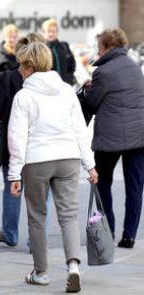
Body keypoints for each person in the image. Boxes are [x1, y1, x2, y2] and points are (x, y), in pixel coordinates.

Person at [7, 42, 98, 293]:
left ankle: (41, 272)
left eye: (21, 65)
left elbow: (17, 138)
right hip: (68, 157)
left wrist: (14, 174)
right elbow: (80, 129)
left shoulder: (24, 96)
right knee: (69, 215)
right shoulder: (67, 91)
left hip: (37, 160)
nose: (19, 70)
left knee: (37, 217)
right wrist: (89, 165)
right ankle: (73, 267)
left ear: (31, 66)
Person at [84, 28, 144, 249]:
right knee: (135, 186)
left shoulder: (103, 72)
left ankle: (107, 230)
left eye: (99, 46)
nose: (97, 50)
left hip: (110, 138)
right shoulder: (135, 67)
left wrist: (89, 88)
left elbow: (92, 103)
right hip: (139, 136)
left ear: (108, 47)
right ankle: (129, 235)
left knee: (103, 183)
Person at [0, 33, 45, 247]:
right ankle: (35, 240)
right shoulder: (51, 78)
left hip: (14, 142)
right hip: (41, 142)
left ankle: (10, 233)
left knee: (12, 185)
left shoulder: (9, 77)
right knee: (40, 194)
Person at [42, 18, 76, 85]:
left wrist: (69, 78)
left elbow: (72, 64)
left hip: (65, 85)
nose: (51, 34)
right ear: (44, 32)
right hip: (50, 86)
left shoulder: (64, 45)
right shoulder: (42, 49)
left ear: (57, 32)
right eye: (48, 31)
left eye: (53, 31)